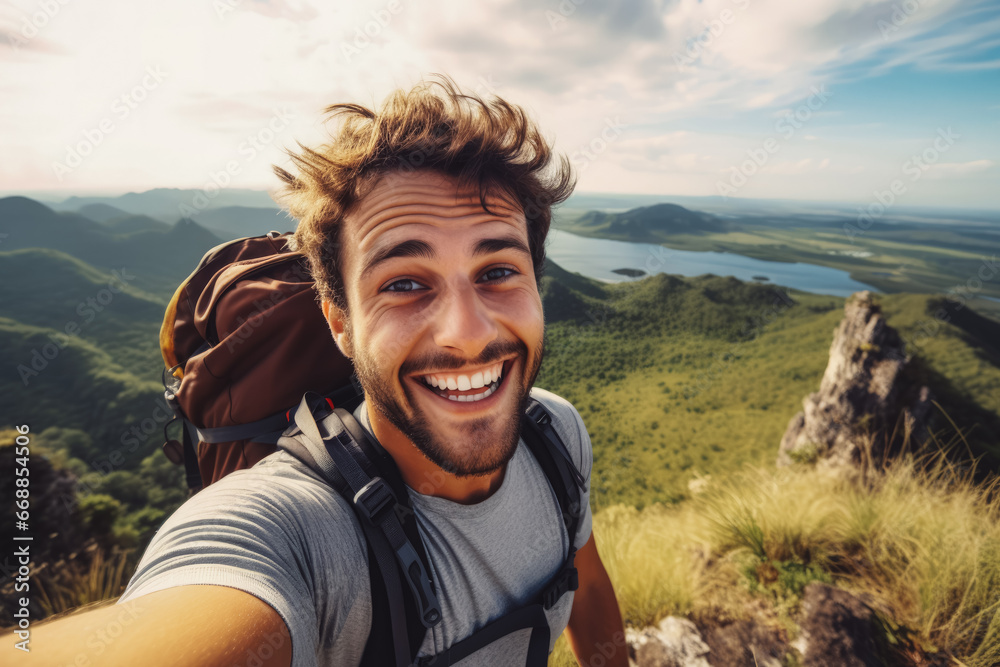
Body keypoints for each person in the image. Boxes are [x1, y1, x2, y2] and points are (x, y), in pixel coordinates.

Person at [27, 76, 628, 666]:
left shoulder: (555, 433)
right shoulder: (296, 533)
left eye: (498, 270)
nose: (468, 334)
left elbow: (589, 586)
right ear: (340, 322)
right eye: (404, 283)